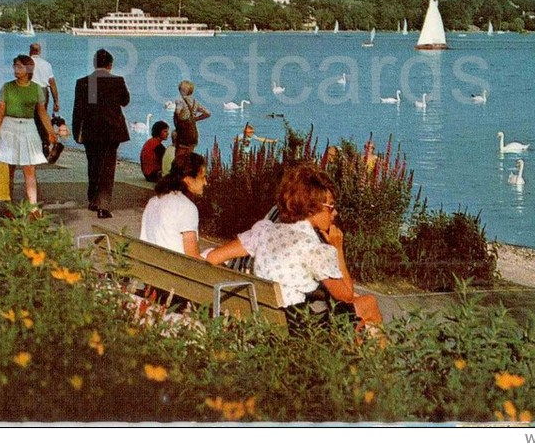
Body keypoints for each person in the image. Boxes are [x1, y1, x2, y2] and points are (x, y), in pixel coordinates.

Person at [206, 164, 382, 329]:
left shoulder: (263, 231)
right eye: (331, 207)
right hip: (294, 328)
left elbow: (213, 258)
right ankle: (377, 359)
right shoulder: (315, 249)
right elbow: (347, 296)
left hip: (260, 317)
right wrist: (337, 250)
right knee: (368, 303)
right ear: (312, 208)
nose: (334, 213)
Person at [0, 55, 57, 210]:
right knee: (9, 168)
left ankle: (33, 207)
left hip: (28, 127)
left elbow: (42, 112)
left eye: (19, 66)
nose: (16, 69)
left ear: (29, 69)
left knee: (30, 168)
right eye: (15, 66)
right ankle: (8, 203)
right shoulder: (7, 87)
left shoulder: (36, 89)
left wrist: (50, 131)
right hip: (8, 127)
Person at [71, 48, 130, 219]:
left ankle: (93, 199)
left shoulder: (84, 82)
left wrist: (77, 132)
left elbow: (78, 110)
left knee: (93, 165)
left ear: (94, 63)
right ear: (110, 65)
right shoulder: (117, 81)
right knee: (108, 167)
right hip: (112, 131)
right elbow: (125, 101)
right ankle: (103, 205)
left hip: (90, 130)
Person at [140, 152, 208, 257]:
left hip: (151, 263)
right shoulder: (187, 208)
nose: (205, 183)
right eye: (202, 177)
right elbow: (193, 258)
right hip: (175, 269)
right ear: (188, 180)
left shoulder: (153, 202)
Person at [29, 42, 60, 158]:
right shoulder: (46, 65)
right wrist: (56, 101)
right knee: (42, 117)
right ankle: (45, 143)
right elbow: (52, 84)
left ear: (30, 50)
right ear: (39, 51)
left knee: (30, 117)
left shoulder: (27, 63)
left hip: (30, 89)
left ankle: (34, 143)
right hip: (43, 91)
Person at [172, 80, 210, 165]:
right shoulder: (195, 102)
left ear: (180, 90)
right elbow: (208, 113)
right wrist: (196, 119)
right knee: (188, 158)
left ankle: (178, 176)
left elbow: (178, 111)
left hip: (183, 134)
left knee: (179, 159)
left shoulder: (180, 101)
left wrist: (178, 116)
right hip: (193, 133)